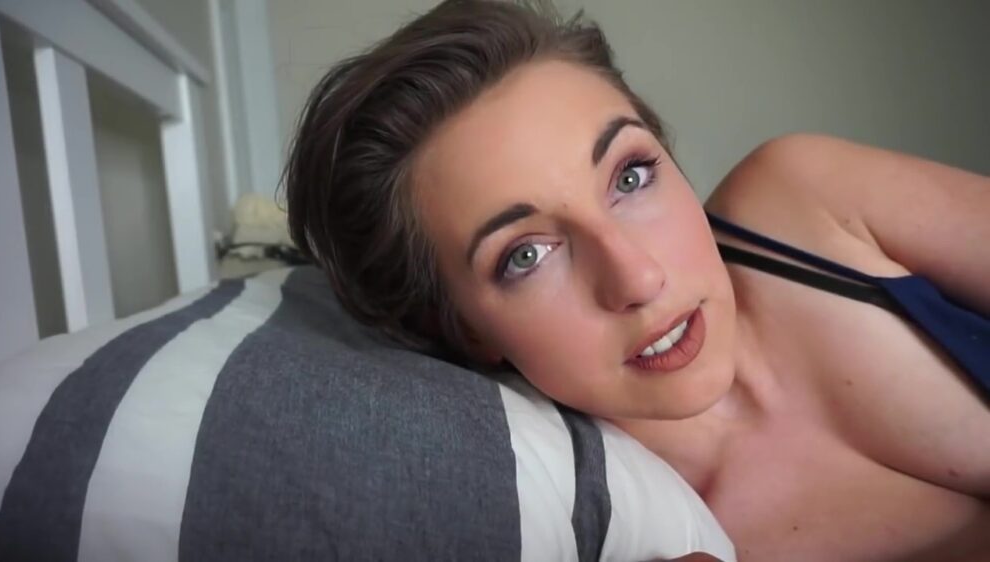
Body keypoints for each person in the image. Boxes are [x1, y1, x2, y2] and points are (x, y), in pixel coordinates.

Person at [283, 1, 990, 559]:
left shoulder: (804, 200)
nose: (638, 277)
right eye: (525, 255)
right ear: (463, 329)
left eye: (630, 176)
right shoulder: (657, 540)